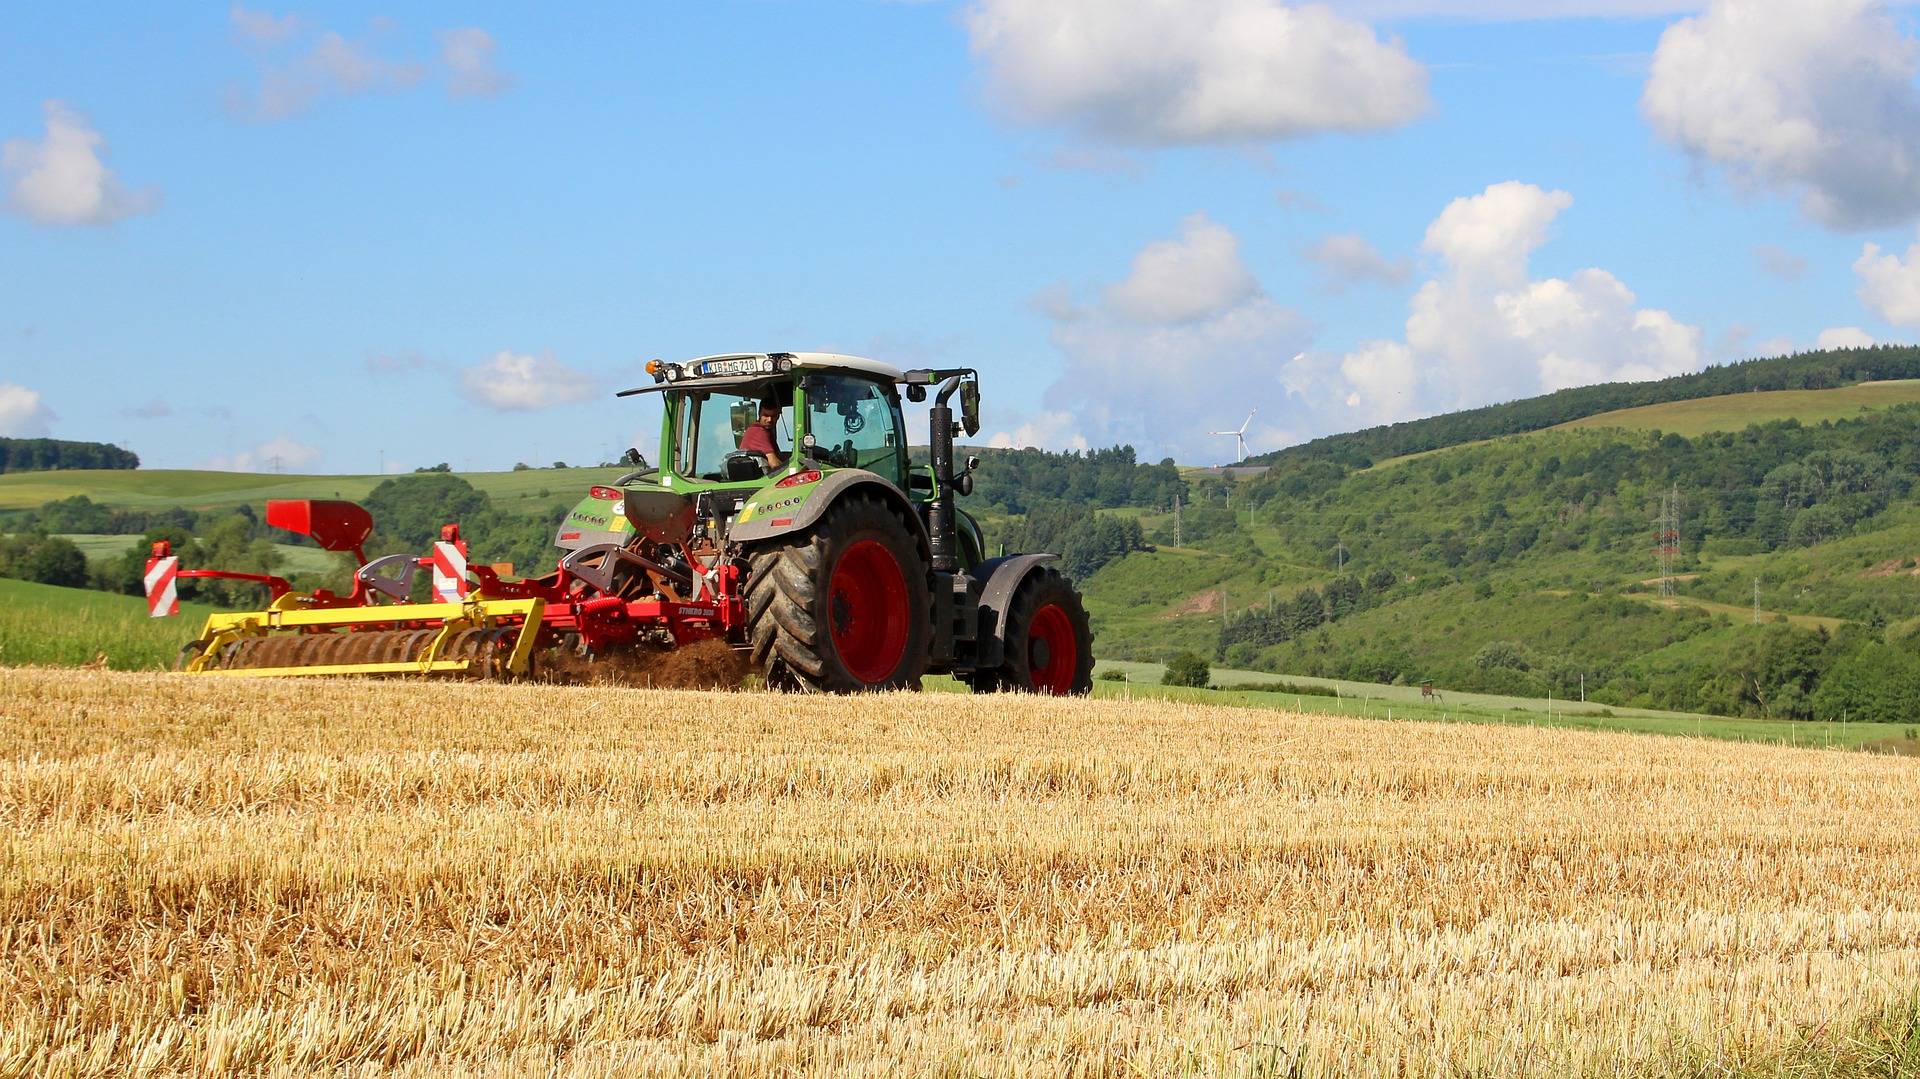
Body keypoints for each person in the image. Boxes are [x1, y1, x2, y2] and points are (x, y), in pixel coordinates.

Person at [739, 397, 785, 470]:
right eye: (766, 415)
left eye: (773, 416)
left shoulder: (767, 432)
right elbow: (774, 465)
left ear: (778, 416)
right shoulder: (758, 431)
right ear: (759, 414)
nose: (769, 420)